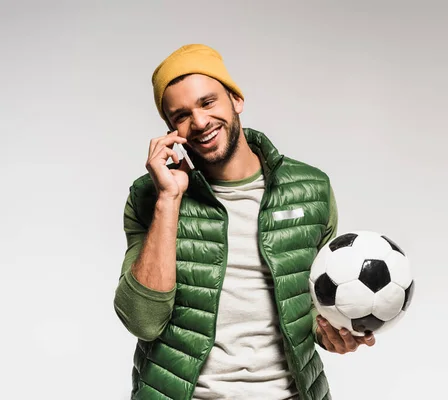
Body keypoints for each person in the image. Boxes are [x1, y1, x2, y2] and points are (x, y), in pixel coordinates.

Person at [113, 44, 376, 400]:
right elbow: (142, 320)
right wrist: (169, 200)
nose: (200, 122)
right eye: (181, 115)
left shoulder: (311, 189)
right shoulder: (151, 197)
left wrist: (332, 333)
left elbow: (312, 305)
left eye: (208, 103)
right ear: (170, 129)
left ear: (235, 99)